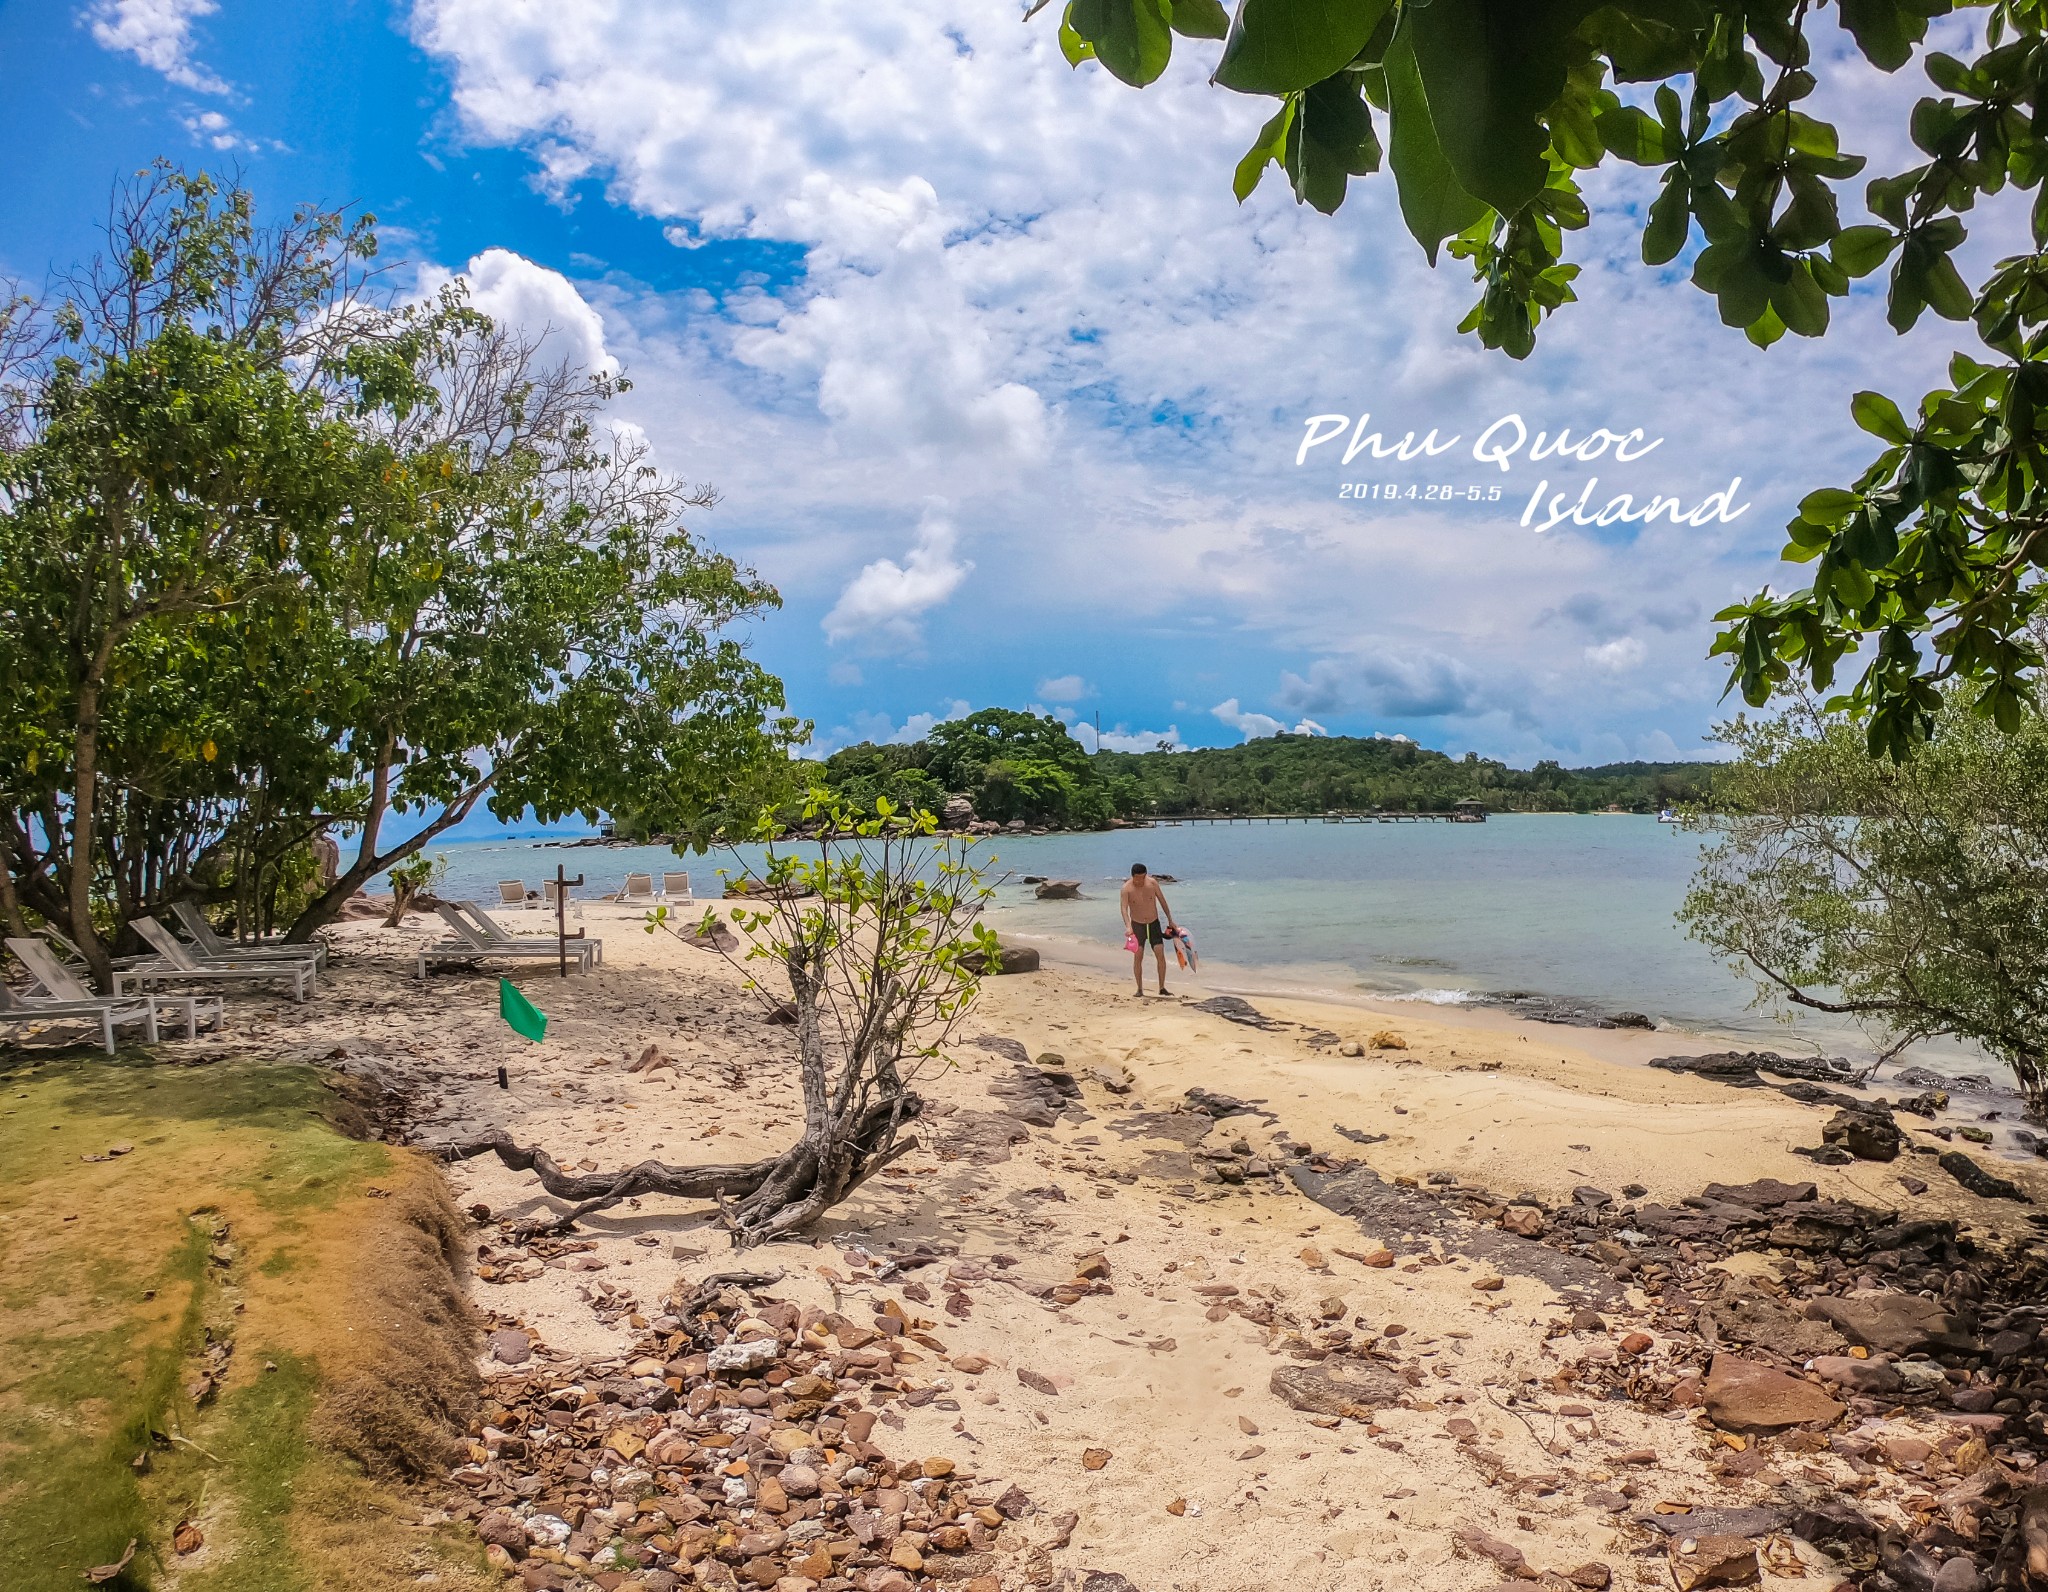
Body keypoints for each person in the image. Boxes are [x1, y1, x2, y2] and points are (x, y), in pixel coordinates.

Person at [1120, 862, 1178, 997]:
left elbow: (1163, 902)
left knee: (1160, 954)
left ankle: (1162, 987)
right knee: (1138, 956)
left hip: (1153, 924)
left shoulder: (1152, 883)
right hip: (1137, 925)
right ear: (1132, 876)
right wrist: (1128, 926)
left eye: (1143, 877)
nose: (1140, 881)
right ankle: (1139, 989)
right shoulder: (1126, 889)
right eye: (1137, 878)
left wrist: (1170, 919)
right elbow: (1124, 909)